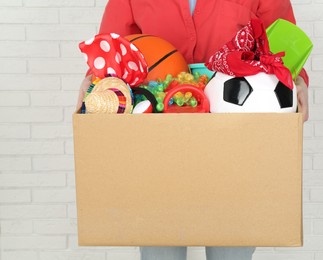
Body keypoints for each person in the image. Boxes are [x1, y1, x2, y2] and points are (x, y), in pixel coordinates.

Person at [77, 1, 309, 259]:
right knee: (160, 247)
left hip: (236, 137)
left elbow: (281, 49)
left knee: (232, 247)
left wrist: (297, 81)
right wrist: (95, 84)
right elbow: (113, 50)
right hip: (155, 138)